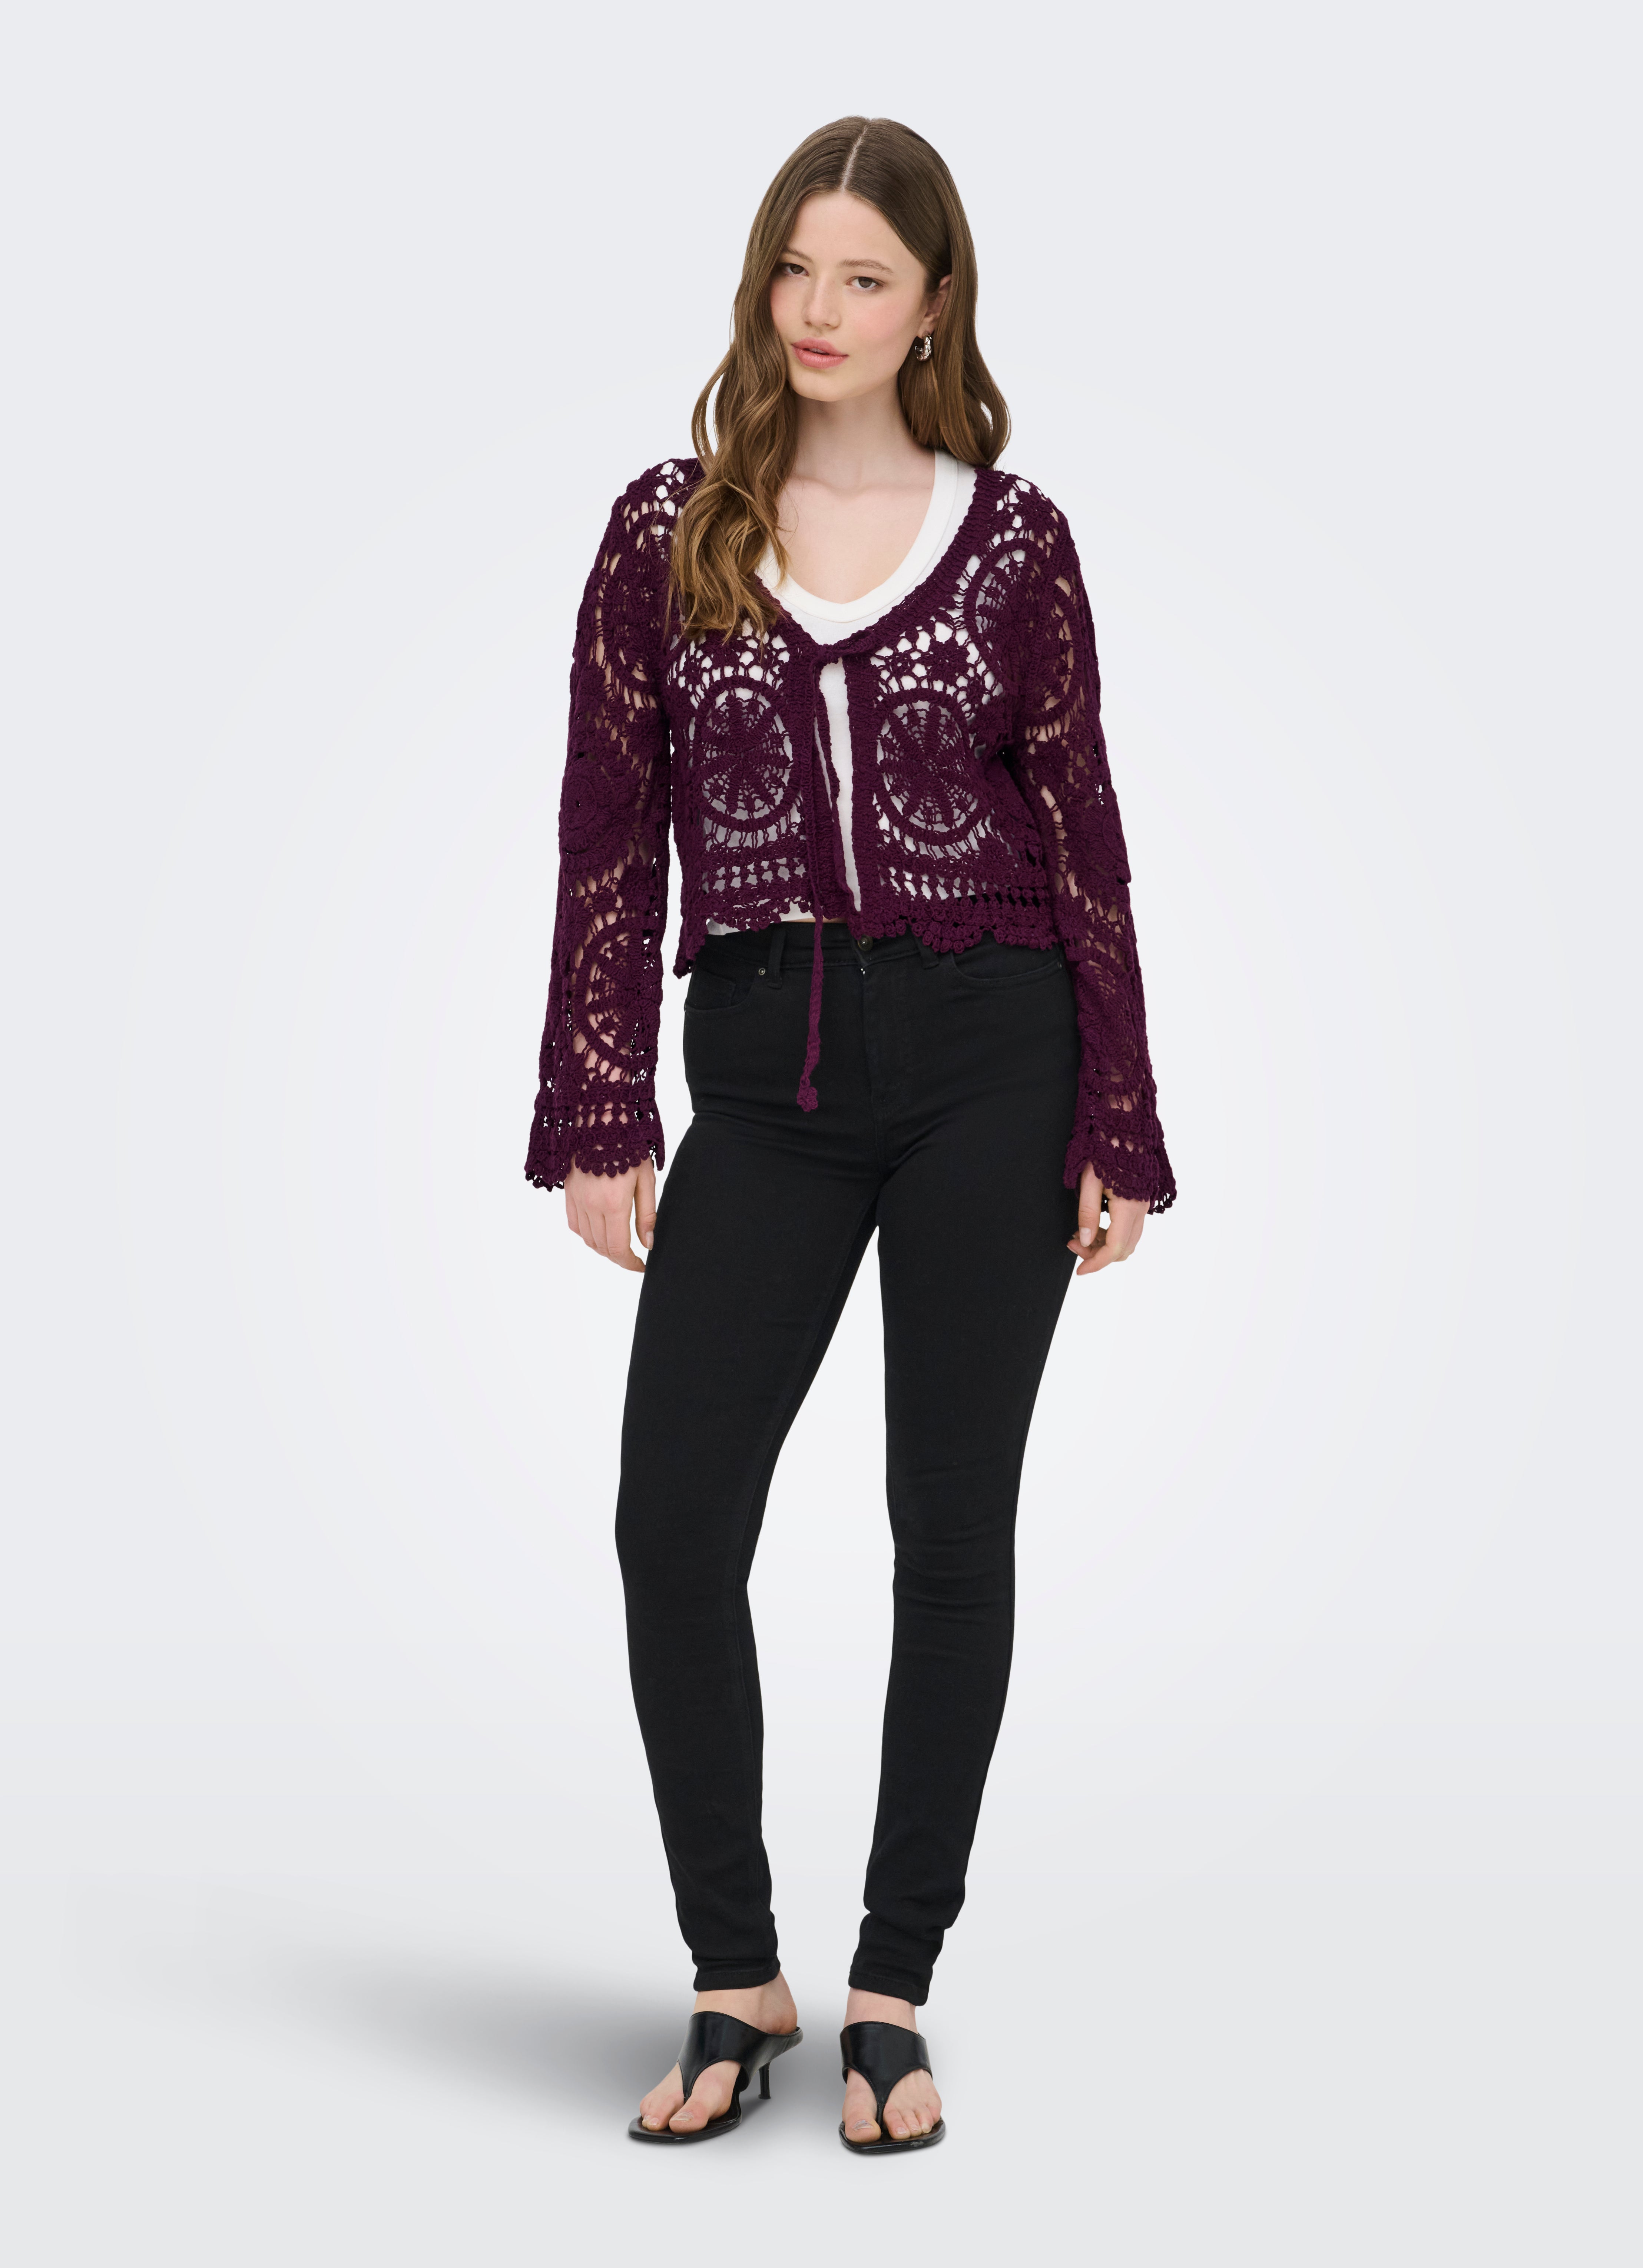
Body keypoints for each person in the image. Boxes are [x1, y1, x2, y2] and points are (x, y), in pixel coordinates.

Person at [524, 115, 1176, 2153]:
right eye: (794, 270)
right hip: (767, 1070)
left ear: (934, 306)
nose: (819, 311)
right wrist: (598, 1100)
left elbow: (1084, 831)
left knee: (947, 1527)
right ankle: (737, 1973)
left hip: (997, 1051)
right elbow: (606, 836)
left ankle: (894, 1984)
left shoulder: (1018, 541)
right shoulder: (670, 530)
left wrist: (1120, 1111)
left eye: (864, 278)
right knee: (671, 1517)